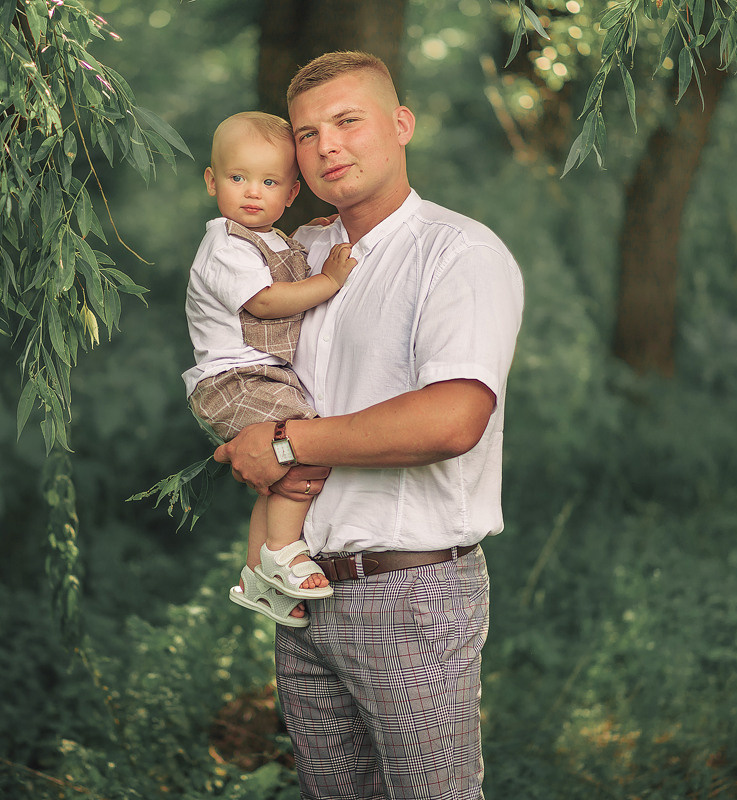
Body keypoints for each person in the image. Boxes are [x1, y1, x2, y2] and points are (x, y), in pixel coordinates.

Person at [213, 53, 524, 799]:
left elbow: (454, 419)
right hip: (304, 592)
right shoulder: (303, 256)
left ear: (401, 124)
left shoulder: (458, 253)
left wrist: (286, 444)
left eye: (348, 121)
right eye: (308, 133)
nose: (328, 147)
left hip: (411, 593)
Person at [182, 111, 357, 627]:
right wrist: (328, 280)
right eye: (237, 178)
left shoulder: (274, 237)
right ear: (212, 181)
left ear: (290, 192)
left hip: (258, 377)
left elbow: (285, 257)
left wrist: (314, 236)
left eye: (269, 182)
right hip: (233, 380)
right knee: (305, 449)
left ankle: (259, 576)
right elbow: (265, 301)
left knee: (281, 471)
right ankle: (283, 552)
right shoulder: (224, 245)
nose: (252, 192)